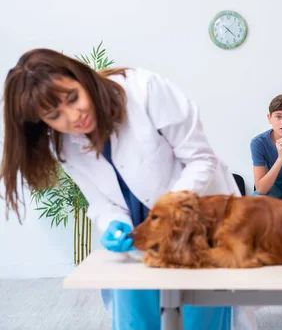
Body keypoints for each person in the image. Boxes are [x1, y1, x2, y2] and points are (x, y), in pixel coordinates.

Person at [0, 49, 257, 330]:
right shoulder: (62, 144)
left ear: (82, 77)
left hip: (200, 218)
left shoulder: (144, 90)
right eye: (54, 115)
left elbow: (201, 159)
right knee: (134, 319)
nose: (74, 117)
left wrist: (171, 207)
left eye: (73, 97)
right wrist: (114, 224)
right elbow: (100, 200)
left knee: (200, 319)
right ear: (41, 122)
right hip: (139, 237)